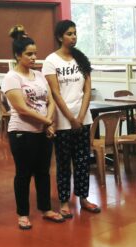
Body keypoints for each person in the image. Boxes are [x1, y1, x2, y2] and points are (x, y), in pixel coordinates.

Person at [2, 25, 65, 230]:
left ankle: (46, 208)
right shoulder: (12, 77)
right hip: (22, 132)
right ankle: (22, 214)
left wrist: (48, 120)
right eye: (29, 54)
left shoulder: (38, 76)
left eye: (35, 53)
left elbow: (51, 100)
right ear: (18, 55)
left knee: (43, 172)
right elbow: (21, 108)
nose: (34, 57)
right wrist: (47, 122)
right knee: (23, 173)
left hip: (43, 131)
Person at [42, 20, 100, 218]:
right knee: (64, 163)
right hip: (63, 122)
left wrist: (81, 117)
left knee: (83, 161)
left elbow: (87, 90)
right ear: (60, 37)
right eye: (69, 34)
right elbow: (56, 94)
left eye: (75, 33)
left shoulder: (81, 59)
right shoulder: (51, 61)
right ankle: (65, 202)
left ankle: (83, 198)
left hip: (83, 119)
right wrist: (71, 118)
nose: (74, 37)